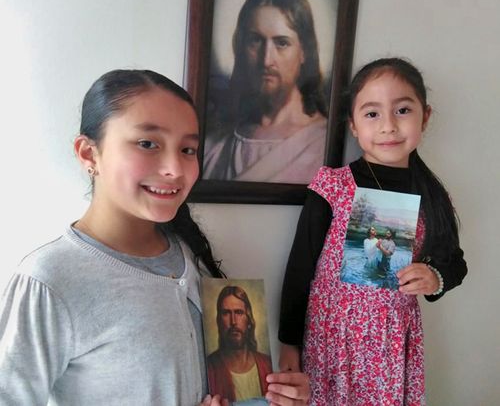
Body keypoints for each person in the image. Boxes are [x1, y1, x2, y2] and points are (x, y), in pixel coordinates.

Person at [0, 69, 310, 406]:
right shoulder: (49, 281)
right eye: (148, 143)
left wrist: (271, 398)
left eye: (188, 150)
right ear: (89, 154)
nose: (175, 169)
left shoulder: (187, 252)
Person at [278, 58, 468, 404]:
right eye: (372, 114)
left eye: (402, 110)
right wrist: (288, 343)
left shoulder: (432, 197)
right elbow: (299, 269)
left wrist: (434, 277)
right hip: (331, 344)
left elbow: (454, 262)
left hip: (392, 346)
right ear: (352, 125)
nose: (388, 127)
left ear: (425, 116)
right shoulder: (332, 186)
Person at [203, 0, 328, 184]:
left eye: (282, 43)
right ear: (241, 46)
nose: (266, 60)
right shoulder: (215, 144)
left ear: (304, 50)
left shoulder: (322, 142)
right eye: (255, 41)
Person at [207, 286, 272, 403]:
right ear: (219, 321)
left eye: (239, 312)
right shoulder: (210, 368)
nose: (233, 321)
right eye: (226, 313)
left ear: (249, 319)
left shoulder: (266, 364)